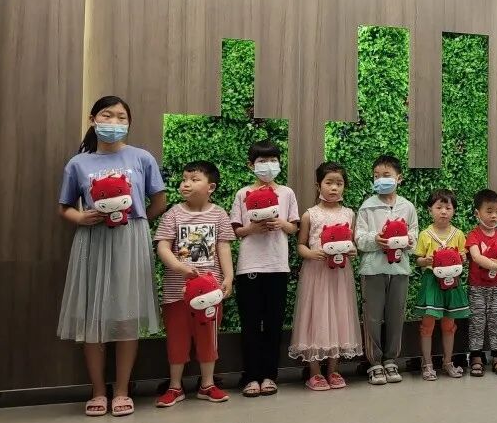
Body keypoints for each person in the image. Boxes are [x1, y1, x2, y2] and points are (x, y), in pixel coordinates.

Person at [57, 95, 167, 417]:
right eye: (107, 115)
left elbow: (159, 201)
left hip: (130, 241)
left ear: (129, 123)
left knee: (126, 316)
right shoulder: (78, 163)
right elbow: (65, 207)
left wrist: (136, 222)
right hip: (92, 241)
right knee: (92, 315)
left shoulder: (142, 158)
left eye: (122, 117)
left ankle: (121, 391)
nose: (115, 122)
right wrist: (82, 218)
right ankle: (98, 391)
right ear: (93, 119)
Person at [154, 161, 235, 407]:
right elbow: (162, 246)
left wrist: (228, 278)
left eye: (194, 179)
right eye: (184, 179)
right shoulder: (173, 214)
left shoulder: (219, 214)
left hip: (210, 294)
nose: (186, 184)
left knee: (208, 339)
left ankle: (207, 384)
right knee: (177, 339)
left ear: (211, 187)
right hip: (176, 293)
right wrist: (180, 268)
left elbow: (223, 247)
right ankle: (175, 386)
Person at [230, 140, 300, 398]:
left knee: (273, 323)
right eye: (262, 161)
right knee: (250, 323)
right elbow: (235, 230)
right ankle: (251, 376)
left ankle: (270, 375)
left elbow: (294, 227)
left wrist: (281, 223)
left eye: (273, 160)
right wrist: (252, 228)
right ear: (251, 165)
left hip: (277, 265)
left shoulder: (287, 193)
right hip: (249, 265)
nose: (268, 165)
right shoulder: (242, 194)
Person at [289, 162, 363, 390]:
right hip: (316, 274)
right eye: (329, 182)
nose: (334, 188)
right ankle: (314, 372)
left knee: (339, 317)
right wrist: (312, 253)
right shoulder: (310, 215)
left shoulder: (349, 214)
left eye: (339, 183)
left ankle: (333, 370)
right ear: (318, 185)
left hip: (340, 275)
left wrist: (353, 251)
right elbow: (300, 245)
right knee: (316, 317)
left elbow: (352, 244)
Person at [355, 154, 418, 385]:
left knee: (396, 315)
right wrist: (376, 239)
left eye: (386, 175)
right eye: (377, 176)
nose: (381, 179)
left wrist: (408, 241)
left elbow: (414, 236)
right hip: (373, 269)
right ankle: (374, 362)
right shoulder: (367, 206)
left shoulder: (407, 207)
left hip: (400, 269)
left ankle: (391, 359)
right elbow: (359, 239)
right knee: (372, 316)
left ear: (399, 178)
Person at [414, 189, 469, 380]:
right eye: (439, 207)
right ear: (430, 210)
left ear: (454, 211)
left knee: (449, 324)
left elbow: (463, 257)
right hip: (432, 282)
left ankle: (447, 362)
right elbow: (418, 259)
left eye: (448, 207)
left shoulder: (458, 234)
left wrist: (463, 258)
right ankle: (427, 364)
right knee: (427, 324)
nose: (443, 211)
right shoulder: (425, 234)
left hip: (453, 283)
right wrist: (425, 261)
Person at [466, 189, 497, 377]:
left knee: (496, 320)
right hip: (477, 287)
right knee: (477, 321)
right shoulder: (474, 235)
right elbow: (476, 257)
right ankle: (476, 357)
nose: (494, 215)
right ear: (477, 213)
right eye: (489, 211)